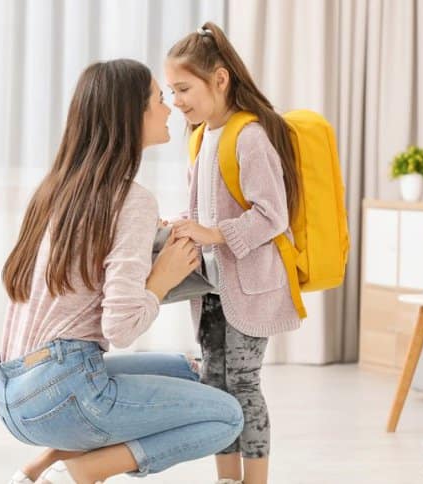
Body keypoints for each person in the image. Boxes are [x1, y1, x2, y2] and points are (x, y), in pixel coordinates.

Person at [0, 58, 244, 484]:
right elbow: (122, 327)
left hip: (13, 393)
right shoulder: (131, 200)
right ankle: (80, 472)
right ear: (132, 115)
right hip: (67, 390)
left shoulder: (56, 189)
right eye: (159, 99)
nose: (170, 109)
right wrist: (161, 276)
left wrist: (148, 248)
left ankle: (36, 469)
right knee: (227, 416)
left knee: (193, 371)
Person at [165, 22, 304, 484]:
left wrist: (214, 233)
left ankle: (256, 480)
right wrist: (183, 226)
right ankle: (227, 478)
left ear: (219, 80)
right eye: (171, 91)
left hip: (250, 287)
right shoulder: (201, 136)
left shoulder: (249, 137)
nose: (176, 100)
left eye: (183, 88)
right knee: (214, 386)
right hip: (210, 288)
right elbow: (199, 206)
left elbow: (272, 215)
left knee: (244, 385)